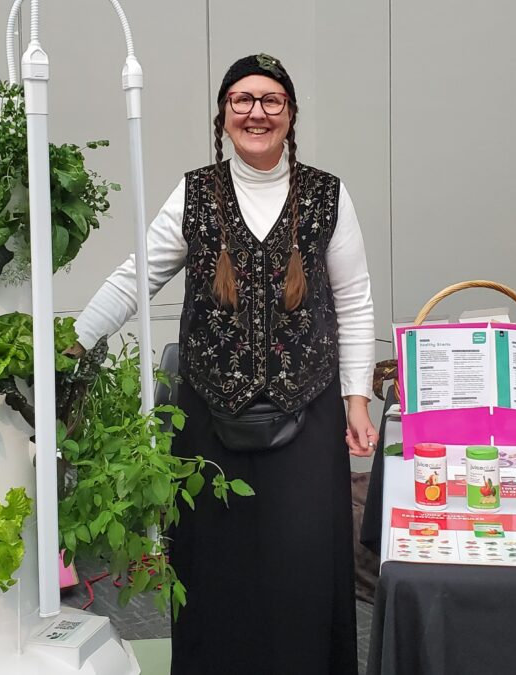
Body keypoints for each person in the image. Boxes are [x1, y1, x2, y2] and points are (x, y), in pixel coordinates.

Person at [70, 53, 377, 675]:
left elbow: (355, 299)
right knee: (217, 567)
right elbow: (137, 275)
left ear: (290, 115)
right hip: (211, 415)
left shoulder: (327, 195)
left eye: (271, 100)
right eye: (242, 100)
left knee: (304, 564)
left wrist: (356, 398)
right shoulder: (194, 193)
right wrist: (71, 344)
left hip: (309, 410)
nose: (256, 112)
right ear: (223, 113)